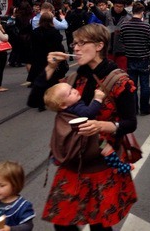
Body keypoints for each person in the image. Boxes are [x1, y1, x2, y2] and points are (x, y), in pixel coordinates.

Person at [31, 24, 137, 230]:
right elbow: (36, 99)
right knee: (63, 225)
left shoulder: (119, 80)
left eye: (82, 43)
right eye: (74, 44)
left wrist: (101, 126)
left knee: (99, 226)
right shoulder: (74, 78)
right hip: (71, 166)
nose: (76, 48)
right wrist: (50, 67)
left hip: (101, 166)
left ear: (99, 45)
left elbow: (130, 123)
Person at [44, 83, 133, 174]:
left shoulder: (63, 112)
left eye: (72, 88)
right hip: (90, 143)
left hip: (75, 163)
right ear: (63, 105)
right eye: (69, 93)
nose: (74, 91)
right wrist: (97, 99)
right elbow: (89, 113)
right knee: (106, 147)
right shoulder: (76, 107)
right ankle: (117, 166)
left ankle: (57, 156)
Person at [119, 2, 150, 115]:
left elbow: (121, 40)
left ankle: (133, 108)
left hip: (130, 58)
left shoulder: (124, 26)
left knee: (132, 85)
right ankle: (144, 108)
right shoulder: (146, 26)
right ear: (142, 12)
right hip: (143, 58)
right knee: (145, 84)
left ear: (132, 11)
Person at [27, 12, 68, 107]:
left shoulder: (35, 32)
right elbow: (58, 45)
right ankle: (53, 99)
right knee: (53, 80)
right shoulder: (54, 32)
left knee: (42, 78)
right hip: (51, 58)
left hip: (39, 58)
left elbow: (32, 46)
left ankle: (41, 102)